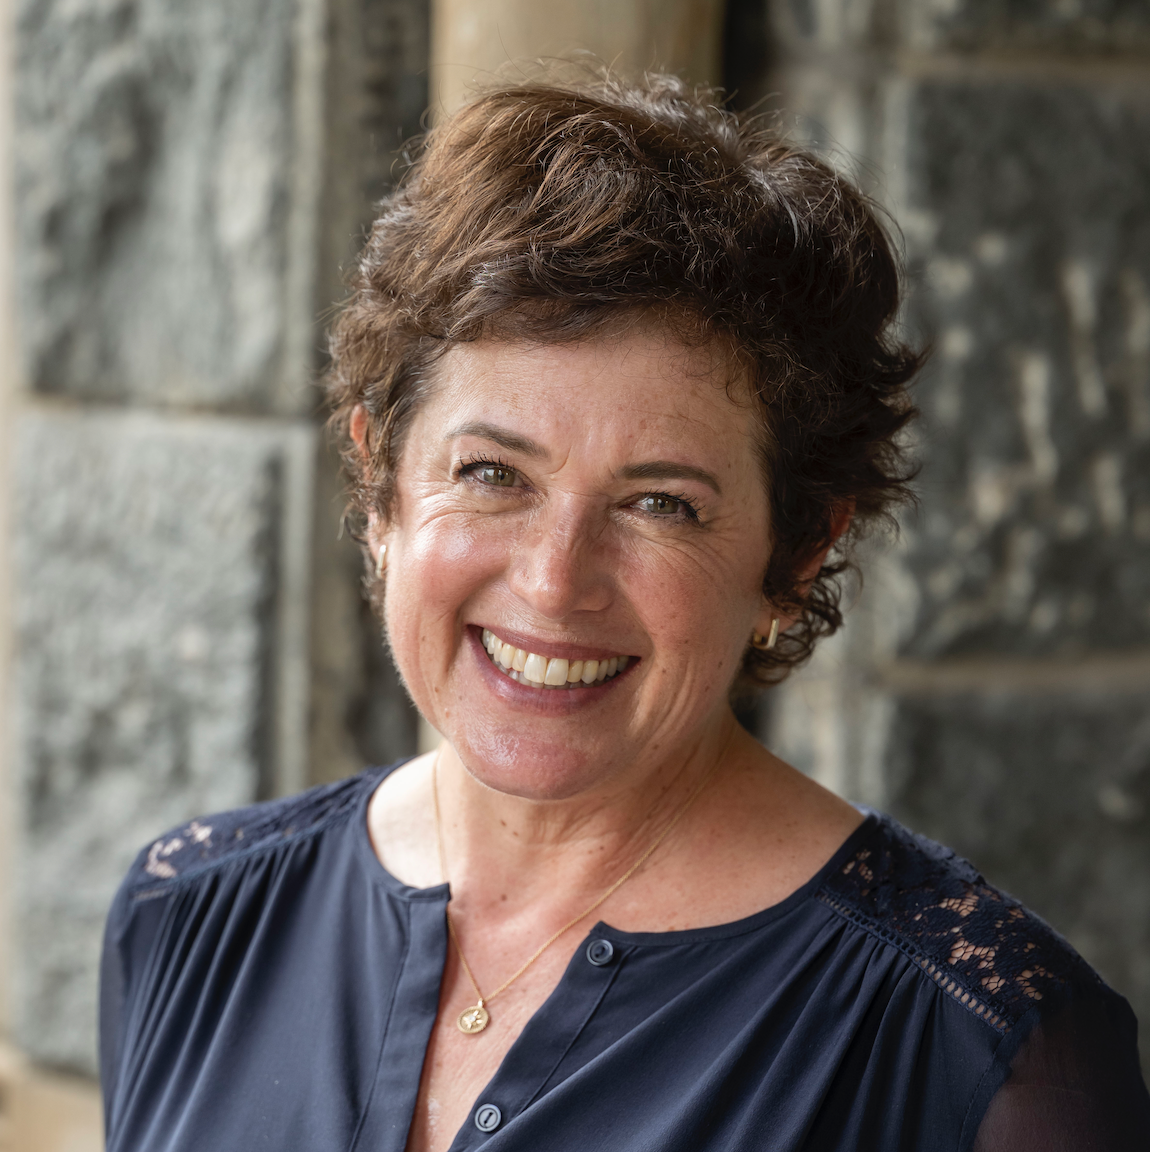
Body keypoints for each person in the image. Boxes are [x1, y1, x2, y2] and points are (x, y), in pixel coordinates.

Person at [99, 71, 1150, 1151]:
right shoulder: (190, 913)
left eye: (661, 504)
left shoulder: (986, 1048)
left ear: (796, 553)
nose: (554, 581)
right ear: (381, 489)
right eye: (492, 474)